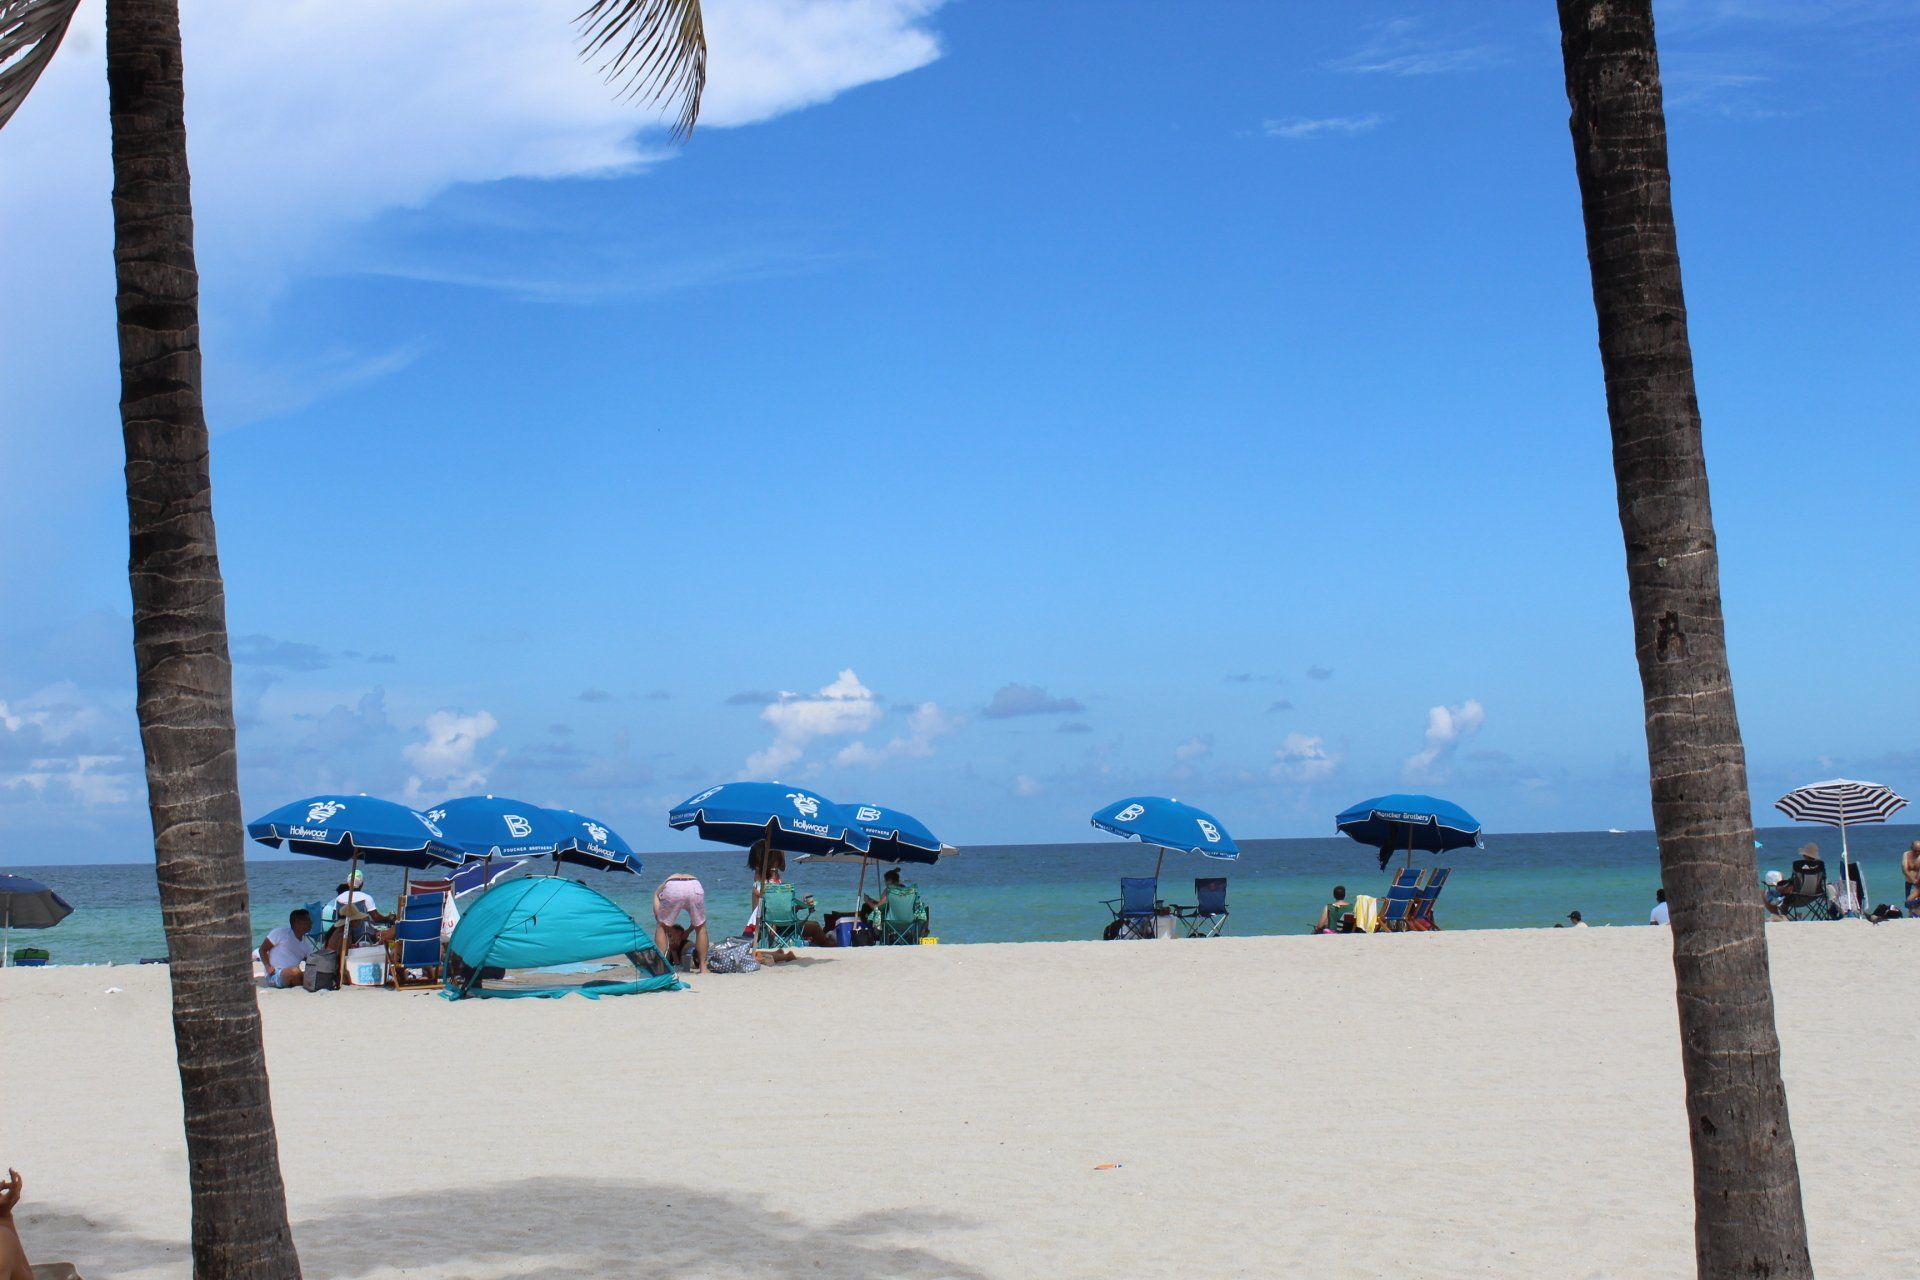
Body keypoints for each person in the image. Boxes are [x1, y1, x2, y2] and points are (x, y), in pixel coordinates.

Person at [653, 873, 709, 973]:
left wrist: (655, 895)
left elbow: (658, 917)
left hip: (673, 886)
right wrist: (687, 932)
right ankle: (703, 968)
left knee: (660, 926)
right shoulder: (691, 880)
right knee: (701, 927)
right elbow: (697, 922)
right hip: (694, 884)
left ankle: (661, 967)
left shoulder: (663, 885)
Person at [258, 908, 316, 988]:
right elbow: (262, 949)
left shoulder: (306, 945)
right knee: (294, 972)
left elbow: (311, 963)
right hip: (276, 974)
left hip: (292, 973)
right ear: (297, 922)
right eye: (307, 920)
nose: (311, 923)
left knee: (308, 974)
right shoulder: (280, 933)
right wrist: (268, 967)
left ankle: (299, 979)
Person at [1903, 840, 1920, 915]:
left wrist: (1917, 881)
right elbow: (1904, 869)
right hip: (1909, 883)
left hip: (1918, 885)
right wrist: (1913, 880)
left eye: (1919, 851)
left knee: (1909, 902)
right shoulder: (1906, 855)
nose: (1917, 853)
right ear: (1911, 848)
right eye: (1915, 851)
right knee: (1910, 906)